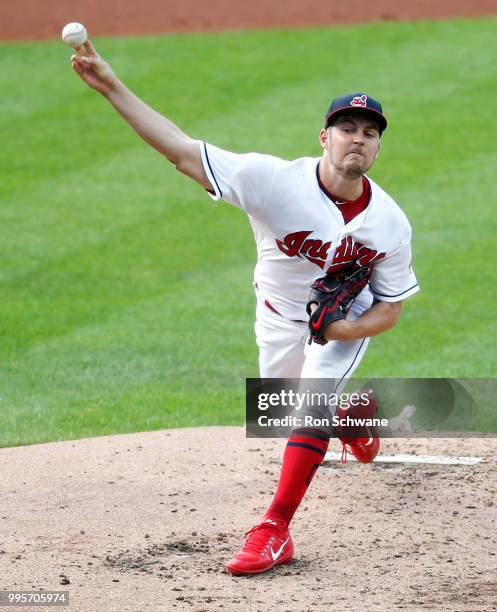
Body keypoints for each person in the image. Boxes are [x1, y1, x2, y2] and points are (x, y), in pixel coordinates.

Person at [70, 41, 419, 576]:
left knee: (310, 403)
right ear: (325, 137)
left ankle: (274, 529)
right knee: (282, 410)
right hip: (278, 318)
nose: (359, 139)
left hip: (340, 325)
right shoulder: (272, 180)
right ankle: (353, 418)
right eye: (348, 128)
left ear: (376, 147)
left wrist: (346, 327)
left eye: (370, 133)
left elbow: (391, 308)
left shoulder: (390, 223)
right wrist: (113, 87)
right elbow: (182, 151)